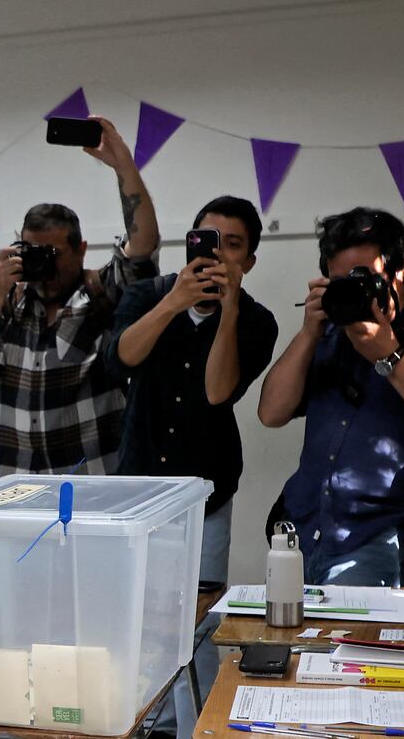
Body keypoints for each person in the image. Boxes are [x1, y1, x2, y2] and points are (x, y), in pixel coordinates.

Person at [104, 195, 278, 739]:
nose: (218, 255)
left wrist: (227, 311)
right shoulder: (148, 294)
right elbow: (118, 359)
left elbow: (217, 391)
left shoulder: (257, 322)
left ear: (249, 261)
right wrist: (173, 303)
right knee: (140, 622)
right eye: (207, 241)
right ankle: (145, 727)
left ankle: (196, 730)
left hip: (207, 492)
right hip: (140, 491)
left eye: (233, 245)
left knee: (198, 623)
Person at [0, 118, 160, 475]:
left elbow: (142, 246)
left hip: (94, 485)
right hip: (20, 487)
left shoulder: (101, 293)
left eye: (54, 254)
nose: (44, 265)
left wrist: (123, 166)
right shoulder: (10, 304)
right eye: (34, 253)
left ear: (81, 249)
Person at [259, 207, 404, 586]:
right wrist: (309, 333)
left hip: (375, 536)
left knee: (343, 629)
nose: (352, 289)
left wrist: (390, 354)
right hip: (301, 528)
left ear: (399, 271)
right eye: (339, 281)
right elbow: (271, 412)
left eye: (362, 278)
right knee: (282, 627)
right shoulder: (330, 330)